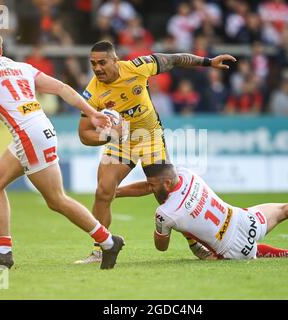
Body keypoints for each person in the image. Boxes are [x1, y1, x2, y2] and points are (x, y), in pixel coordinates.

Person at [0, 29, 124, 270]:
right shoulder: (22, 67)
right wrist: (92, 112)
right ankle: (3, 252)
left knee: (56, 200)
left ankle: (108, 242)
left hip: (28, 136)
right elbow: (62, 88)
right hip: (39, 128)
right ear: (1, 50)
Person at [76, 40, 236, 263]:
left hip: (149, 136)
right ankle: (102, 248)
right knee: (103, 191)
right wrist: (111, 136)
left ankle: (193, 240)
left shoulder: (138, 67)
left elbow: (174, 59)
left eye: (102, 62)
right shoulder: (92, 91)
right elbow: (84, 134)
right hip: (120, 141)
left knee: (163, 190)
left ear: (115, 60)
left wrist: (209, 62)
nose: (97, 68)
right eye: (93, 64)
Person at [115, 164, 288, 260]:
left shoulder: (165, 213)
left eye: (152, 185)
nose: (149, 188)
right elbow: (154, 185)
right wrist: (116, 191)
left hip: (231, 248)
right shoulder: (186, 174)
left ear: (166, 184)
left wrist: (163, 229)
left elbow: (161, 248)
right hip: (243, 218)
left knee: (240, 251)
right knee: (286, 208)